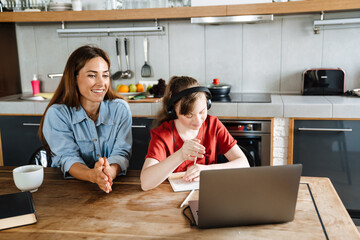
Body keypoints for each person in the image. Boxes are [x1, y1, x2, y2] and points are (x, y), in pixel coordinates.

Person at [39, 45, 132, 193]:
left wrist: (109, 173)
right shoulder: (57, 114)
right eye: (92, 75)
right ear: (74, 78)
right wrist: (92, 176)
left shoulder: (120, 109)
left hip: (111, 187)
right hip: (68, 191)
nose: (101, 83)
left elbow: (121, 152)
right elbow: (68, 158)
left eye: (105, 75)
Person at [140, 76, 249, 191]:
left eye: (202, 112)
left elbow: (244, 164)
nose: (198, 121)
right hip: (171, 199)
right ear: (174, 112)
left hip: (209, 194)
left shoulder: (213, 125)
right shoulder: (162, 135)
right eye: (189, 115)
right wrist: (180, 154)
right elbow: (146, 183)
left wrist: (206, 170)